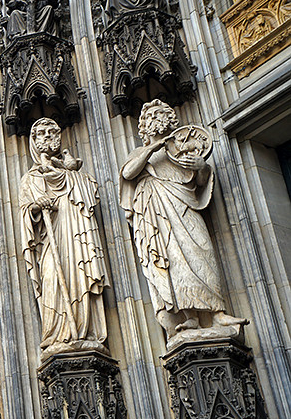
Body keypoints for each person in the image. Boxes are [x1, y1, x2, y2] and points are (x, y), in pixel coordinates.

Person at [120, 100, 247, 341]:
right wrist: (152, 148)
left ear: (170, 119)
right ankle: (191, 317)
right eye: (150, 117)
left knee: (201, 254)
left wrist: (202, 167)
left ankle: (218, 313)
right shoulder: (141, 154)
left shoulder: (183, 148)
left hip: (185, 207)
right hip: (156, 215)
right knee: (173, 263)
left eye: (160, 113)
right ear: (143, 127)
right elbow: (128, 173)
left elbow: (199, 183)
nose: (155, 119)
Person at [19, 118, 108, 359]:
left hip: (77, 235)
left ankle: (85, 331)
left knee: (80, 276)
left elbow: (90, 199)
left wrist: (70, 173)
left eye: (52, 131)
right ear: (34, 141)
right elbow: (25, 213)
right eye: (41, 133)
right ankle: (58, 335)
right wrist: (37, 205)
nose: (48, 136)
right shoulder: (31, 178)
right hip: (51, 239)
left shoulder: (75, 175)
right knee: (51, 277)